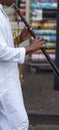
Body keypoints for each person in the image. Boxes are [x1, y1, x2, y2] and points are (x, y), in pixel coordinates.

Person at [0, 0, 47, 130]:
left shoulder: (2, 12)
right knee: (18, 124)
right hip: (4, 83)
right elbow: (1, 52)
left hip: (6, 79)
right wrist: (30, 49)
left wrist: (19, 39)